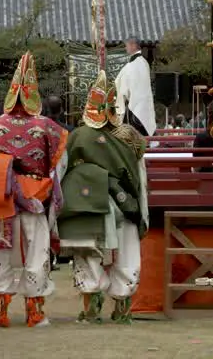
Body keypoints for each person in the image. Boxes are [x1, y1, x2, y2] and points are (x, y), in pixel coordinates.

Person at [0, 52, 67, 328]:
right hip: (35, 197)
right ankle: (35, 313)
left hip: (2, 197)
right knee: (36, 254)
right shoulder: (48, 127)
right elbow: (53, 164)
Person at [58, 71, 148, 325]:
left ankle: (90, 309)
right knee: (127, 255)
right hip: (125, 205)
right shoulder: (130, 137)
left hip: (87, 206)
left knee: (88, 255)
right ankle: (123, 309)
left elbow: (61, 171)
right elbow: (141, 177)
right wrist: (141, 210)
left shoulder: (78, 136)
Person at [114, 35, 155, 136]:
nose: (125, 48)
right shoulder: (143, 62)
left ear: (133, 46)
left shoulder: (133, 65)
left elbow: (124, 88)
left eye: (126, 45)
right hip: (144, 107)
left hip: (134, 108)